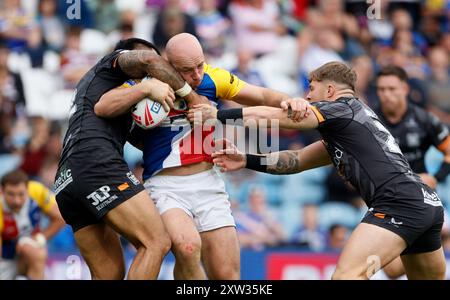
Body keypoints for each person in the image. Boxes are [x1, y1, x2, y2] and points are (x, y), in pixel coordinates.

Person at [192, 61, 446, 279]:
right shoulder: (348, 126)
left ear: (330, 90)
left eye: (311, 89)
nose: (308, 96)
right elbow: (297, 160)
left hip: (398, 203)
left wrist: (220, 115)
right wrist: (246, 159)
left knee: (346, 276)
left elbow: (278, 118)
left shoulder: (342, 107)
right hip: (426, 204)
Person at [103, 33, 307, 279]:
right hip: (166, 187)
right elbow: (103, 106)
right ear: (168, 64)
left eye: (200, 65)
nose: (197, 75)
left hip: (209, 183)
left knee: (227, 276)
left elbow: (263, 96)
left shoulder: (214, 77)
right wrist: (144, 89)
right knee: (188, 248)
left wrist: (290, 100)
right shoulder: (148, 81)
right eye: (188, 70)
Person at [54, 37, 208, 280]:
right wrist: (191, 97)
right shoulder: (113, 64)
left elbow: (143, 140)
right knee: (156, 242)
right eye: (153, 70)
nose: (154, 74)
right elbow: (148, 60)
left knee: (109, 274)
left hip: (67, 178)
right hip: (95, 163)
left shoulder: (114, 97)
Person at [374, 65, 450, 279]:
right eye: (381, 89)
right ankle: (436, 244)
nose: (386, 95)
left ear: (405, 89)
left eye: (391, 89)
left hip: (421, 198)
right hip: (385, 198)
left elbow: (449, 152)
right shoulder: (370, 121)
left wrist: (436, 177)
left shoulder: (424, 120)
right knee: (391, 269)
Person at [0, 169, 65, 280]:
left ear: (27, 189)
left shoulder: (37, 191)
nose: (17, 201)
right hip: (5, 258)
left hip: (31, 247)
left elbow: (60, 218)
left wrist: (41, 238)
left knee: (36, 253)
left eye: (21, 194)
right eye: (11, 194)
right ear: (2, 191)